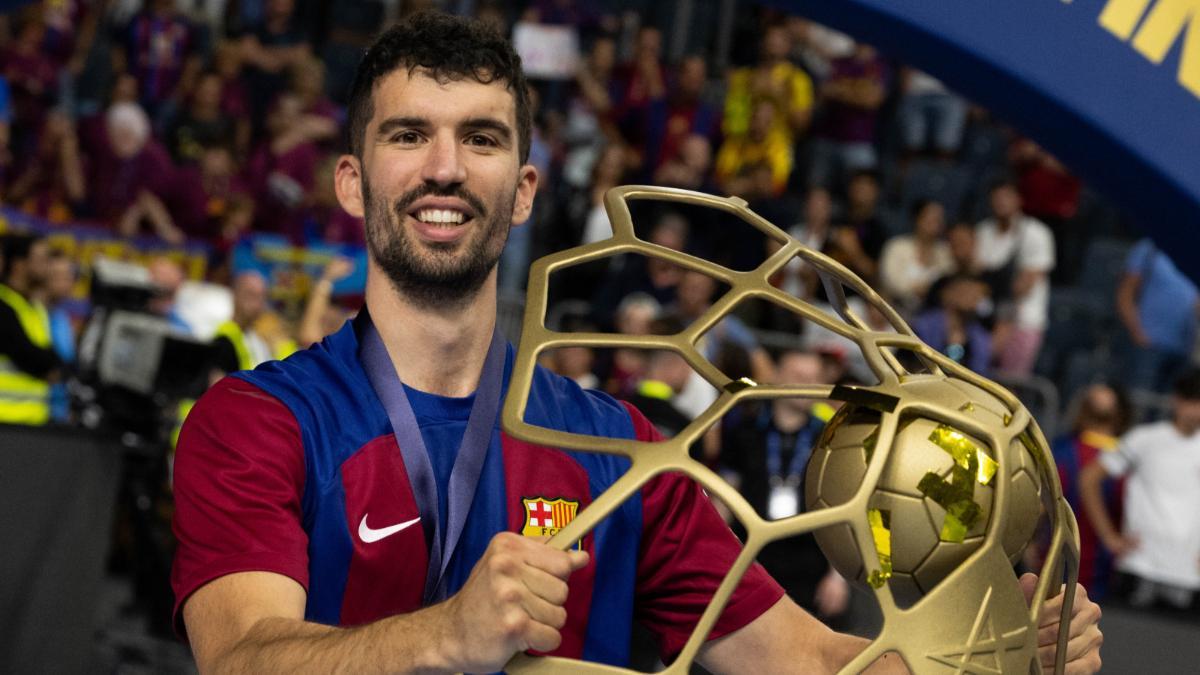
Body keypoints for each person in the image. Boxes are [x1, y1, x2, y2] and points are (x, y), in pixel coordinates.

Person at [172, 12, 1102, 674]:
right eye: (409, 134)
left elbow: (811, 662)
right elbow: (243, 656)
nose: (446, 167)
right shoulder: (259, 421)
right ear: (350, 179)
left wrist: (991, 654)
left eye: (483, 138)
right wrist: (441, 636)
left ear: (528, 188)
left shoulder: (624, 450)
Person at [719, 350, 847, 627]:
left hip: (808, 569)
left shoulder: (832, 438)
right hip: (751, 563)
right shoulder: (745, 431)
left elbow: (843, 511)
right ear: (777, 378)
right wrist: (715, 561)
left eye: (814, 379)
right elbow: (724, 501)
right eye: (798, 377)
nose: (806, 386)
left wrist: (838, 577)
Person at [1079, 368, 1200, 611]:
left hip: (1189, 575)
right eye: (1191, 400)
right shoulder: (1144, 439)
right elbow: (1089, 478)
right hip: (1139, 565)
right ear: (1177, 400)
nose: (1195, 410)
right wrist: (1110, 537)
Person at [1051, 384, 1132, 600]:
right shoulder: (1128, 462)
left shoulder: (1061, 452)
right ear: (1120, 416)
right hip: (1103, 571)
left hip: (1058, 562)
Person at [974, 179, 1055, 376]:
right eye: (997, 198)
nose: (1001, 202)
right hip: (985, 319)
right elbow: (975, 277)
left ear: (1019, 200)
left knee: (1009, 386)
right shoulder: (983, 231)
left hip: (1023, 321)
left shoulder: (1036, 233)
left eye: (1007, 197)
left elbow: (1024, 284)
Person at [1115, 238, 1200, 393]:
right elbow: (1125, 293)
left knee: (1170, 409)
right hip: (1148, 344)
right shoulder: (1149, 248)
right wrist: (1137, 332)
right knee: (1139, 401)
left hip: (1183, 349)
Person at [0, 233, 60, 425]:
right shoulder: (3, 305)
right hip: (5, 419)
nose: (48, 267)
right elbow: (26, 355)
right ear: (19, 265)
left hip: (34, 421)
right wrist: (48, 366)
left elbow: (53, 358)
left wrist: (50, 364)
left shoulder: (36, 309)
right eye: (42, 259)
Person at [210, 271, 274, 375]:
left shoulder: (263, 338)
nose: (258, 304)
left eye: (262, 297)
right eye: (251, 296)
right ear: (235, 295)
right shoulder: (223, 338)